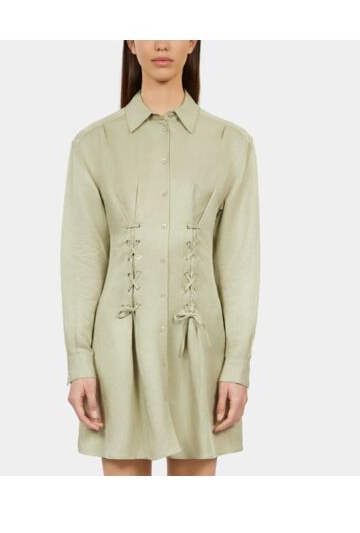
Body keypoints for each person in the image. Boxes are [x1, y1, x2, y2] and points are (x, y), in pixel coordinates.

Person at [60, 40, 261, 476]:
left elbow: (239, 266)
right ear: (131, 42)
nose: (163, 43)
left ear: (194, 41)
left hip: (201, 354)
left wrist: (236, 366)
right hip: (118, 355)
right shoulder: (94, 145)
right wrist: (80, 362)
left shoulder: (231, 145)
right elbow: (81, 264)